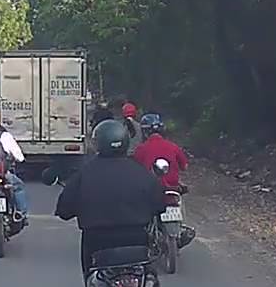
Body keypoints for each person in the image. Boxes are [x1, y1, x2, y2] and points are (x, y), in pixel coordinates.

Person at [56, 120, 167, 277]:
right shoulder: (142, 173)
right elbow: (160, 205)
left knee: (92, 276)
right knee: (149, 275)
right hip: (136, 239)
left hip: (97, 241)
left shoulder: (84, 174)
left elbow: (64, 211)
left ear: (98, 143)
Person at [133, 113, 197, 249]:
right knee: (179, 201)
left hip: (150, 190)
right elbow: (184, 166)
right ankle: (181, 227)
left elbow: (135, 169)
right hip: (172, 189)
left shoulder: (141, 149)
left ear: (145, 132)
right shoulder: (173, 146)